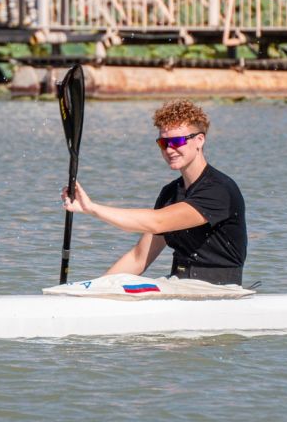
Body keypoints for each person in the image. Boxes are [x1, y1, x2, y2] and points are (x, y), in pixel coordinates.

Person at [62, 99, 247, 285]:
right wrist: (94, 288)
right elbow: (138, 258)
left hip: (218, 291)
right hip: (179, 284)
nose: (169, 149)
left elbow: (157, 222)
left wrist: (92, 208)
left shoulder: (219, 190)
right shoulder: (170, 193)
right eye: (163, 143)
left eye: (177, 141)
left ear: (200, 140)